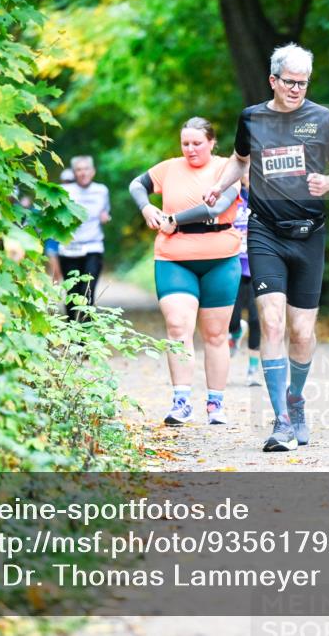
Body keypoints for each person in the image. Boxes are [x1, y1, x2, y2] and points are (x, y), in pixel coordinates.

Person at [205, 43, 329, 452]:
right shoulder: (252, 117)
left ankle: (296, 399)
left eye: (304, 83)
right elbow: (238, 159)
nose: (298, 89)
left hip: (310, 234)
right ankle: (281, 423)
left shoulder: (322, 118)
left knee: (302, 331)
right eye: (290, 82)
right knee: (271, 323)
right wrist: (223, 181)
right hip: (265, 230)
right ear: (273, 80)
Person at [129, 117, 242, 426]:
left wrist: (175, 218)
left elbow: (216, 208)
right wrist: (147, 208)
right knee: (178, 328)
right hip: (174, 258)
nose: (190, 149)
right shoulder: (169, 168)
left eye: (197, 143)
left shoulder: (229, 168)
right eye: (185, 143)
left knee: (216, 335)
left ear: (211, 143)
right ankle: (181, 401)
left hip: (221, 257)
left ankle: (215, 404)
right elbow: (137, 184)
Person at [59, 156, 110, 323]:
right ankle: (71, 337)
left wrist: (105, 217)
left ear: (93, 171)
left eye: (86, 169)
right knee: (72, 293)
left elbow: (105, 211)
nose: (83, 173)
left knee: (87, 292)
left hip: (93, 247)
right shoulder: (65, 191)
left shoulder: (102, 190)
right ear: (74, 173)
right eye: (79, 170)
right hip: (69, 248)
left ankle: (85, 341)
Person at [228, 176, 263, 386]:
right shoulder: (231, 195)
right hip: (234, 266)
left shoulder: (264, 196)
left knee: (257, 319)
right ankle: (236, 331)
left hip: (259, 267)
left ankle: (252, 370)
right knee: (231, 319)